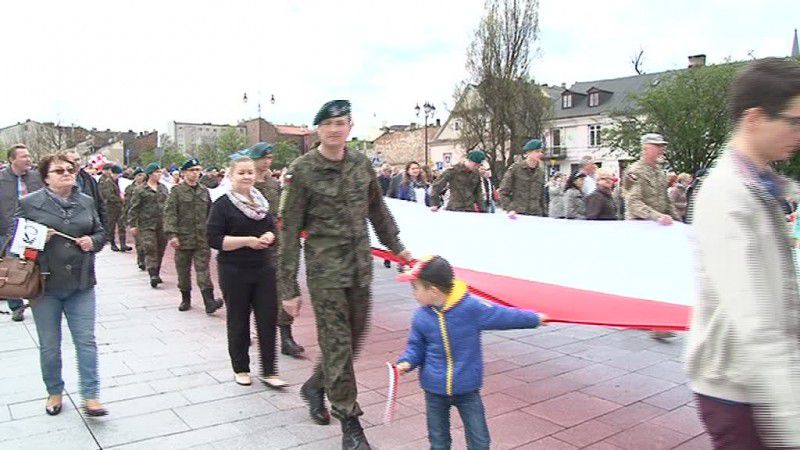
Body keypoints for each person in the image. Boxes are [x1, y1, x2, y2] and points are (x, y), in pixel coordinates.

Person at [277, 100, 411, 450]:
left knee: (353, 340)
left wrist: (397, 247)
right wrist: (288, 287)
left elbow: (377, 210)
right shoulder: (302, 170)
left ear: (350, 126)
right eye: (329, 124)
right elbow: (288, 231)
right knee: (336, 345)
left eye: (342, 122)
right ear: (318, 129)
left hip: (359, 270)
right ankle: (350, 424)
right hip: (326, 274)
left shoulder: (361, 163)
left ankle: (315, 386)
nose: (336, 129)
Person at [686, 58, 800, 449]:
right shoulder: (727, 196)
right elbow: (755, 319)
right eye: (793, 121)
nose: (798, 132)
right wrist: (793, 422)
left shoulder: (763, 187)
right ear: (754, 119)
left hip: (757, 383)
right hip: (739, 389)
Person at [395, 256, 547, 450]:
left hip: (467, 389)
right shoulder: (421, 316)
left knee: (480, 441)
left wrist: (534, 319)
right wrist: (406, 362)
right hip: (434, 390)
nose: (414, 294)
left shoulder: (470, 309)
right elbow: (416, 346)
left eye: (415, 288)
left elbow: (503, 315)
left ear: (433, 290)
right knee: (438, 441)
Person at [16, 153, 107, 417]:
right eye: (59, 171)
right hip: (45, 286)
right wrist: (37, 240)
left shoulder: (86, 201)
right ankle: (54, 391)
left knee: (86, 341)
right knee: (50, 344)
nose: (67, 173)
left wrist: (93, 241)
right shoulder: (30, 204)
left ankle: (91, 396)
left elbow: (100, 232)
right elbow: (17, 245)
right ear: (45, 178)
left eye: (71, 169)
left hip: (81, 283)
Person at [207, 156, 287, 389]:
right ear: (231, 175)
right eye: (241, 172)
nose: (246, 176)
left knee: (267, 318)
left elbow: (271, 228)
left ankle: (270, 370)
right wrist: (247, 241)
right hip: (234, 269)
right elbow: (215, 239)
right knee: (238, 319)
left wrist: (269, 237)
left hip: (263, 267)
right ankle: (241, 368)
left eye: (250, 172)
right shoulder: (222, 204)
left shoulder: (261, 203)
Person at [248, 142, 305, 358]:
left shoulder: (274, 184)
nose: (267, 162)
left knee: (286, 288)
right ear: (254, 159)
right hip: (255, 246)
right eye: (263, 158)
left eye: (270, 158)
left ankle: (286, 338)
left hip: (278, 244)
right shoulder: (247, 183)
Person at [164, 158, 224, 314]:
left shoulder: (204, 191)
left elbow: (211, 214)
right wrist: (172, 235)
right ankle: (186, 298)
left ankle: (209, 301)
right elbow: (170, 214)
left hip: (202, 238)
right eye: (192, 170)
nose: (196, 173)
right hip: (183, 239)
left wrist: (214, 232)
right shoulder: (176, 192)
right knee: (183, 270)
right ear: (184, 173)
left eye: (198, 170)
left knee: (203, 270)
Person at [1, 144, 43, 322]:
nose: (28, 159)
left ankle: (38, 301)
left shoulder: (36, 177)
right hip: (7, 231)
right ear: (12, 159)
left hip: (34, 230)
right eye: (24, 156)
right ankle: (16, 306)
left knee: (36, 266)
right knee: (11, 268)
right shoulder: (2, 179)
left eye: (29, 155)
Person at [622, 134, 680, 225]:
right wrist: (658, 217)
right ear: (645, 149)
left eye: (662, 147)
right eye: (657, 146)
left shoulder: (660, 172)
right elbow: (633, 203)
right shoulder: (634, 172)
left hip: (658, 224)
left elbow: (666, 200)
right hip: (639, 223)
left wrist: (678, 220)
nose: (661, 150)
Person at [127, 163, 168, 288]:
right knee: (150, 248)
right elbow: (134, 208)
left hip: (162, 223)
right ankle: (152, 274)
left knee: (160, 249)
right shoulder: (140, 190)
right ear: (150, 174)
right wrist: (133, 224)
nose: (159, 175)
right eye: (157, 172)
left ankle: (157, 271)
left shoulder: (163, 188)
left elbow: (168, 206)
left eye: (160, 172)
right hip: (146, 224)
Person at [498, 139, 548, 219]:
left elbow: (543, 197)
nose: (540, 154)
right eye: (537, 151)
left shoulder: (541, 172)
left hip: (536, 215)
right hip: (518, 214)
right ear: (528, 153)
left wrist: (545, 214)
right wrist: (510, 209)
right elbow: (503, 191)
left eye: (541, 152)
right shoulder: (515, 169)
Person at [64, 150, 105, 226]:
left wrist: (101, 231)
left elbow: (100, 205)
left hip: (88, 227)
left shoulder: (90, 180)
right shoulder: (58, 181)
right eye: (73, 160)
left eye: (78, 159)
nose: (77, 163)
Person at [97, 164, 129, 252]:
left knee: (122, 225)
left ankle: (123, 244)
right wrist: (121, 199)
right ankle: (112, 243)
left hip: (118, 206)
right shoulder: (106, 182)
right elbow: (108, 196)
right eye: (117, 174)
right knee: (111, 226)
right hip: (110, 207)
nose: (118, 176)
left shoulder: (116, 181)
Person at [123, 168, 146, 270]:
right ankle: (141, 260)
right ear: (135, 177)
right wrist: (128, 218)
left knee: (149, 243)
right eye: (139, 175)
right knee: (139, 242)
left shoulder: (148, 187)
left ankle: (148, 262)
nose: (141, 177)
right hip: (136, 218)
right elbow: (128, 204)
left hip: (147, 218)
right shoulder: (129, 188)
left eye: (142, 175)